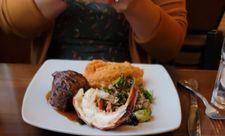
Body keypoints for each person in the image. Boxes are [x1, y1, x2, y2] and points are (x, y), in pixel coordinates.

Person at [0, 0, 187, 65]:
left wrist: (135, 4)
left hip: (130, 85)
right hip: (52, 84)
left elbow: (170, 47)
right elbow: (10, 20)